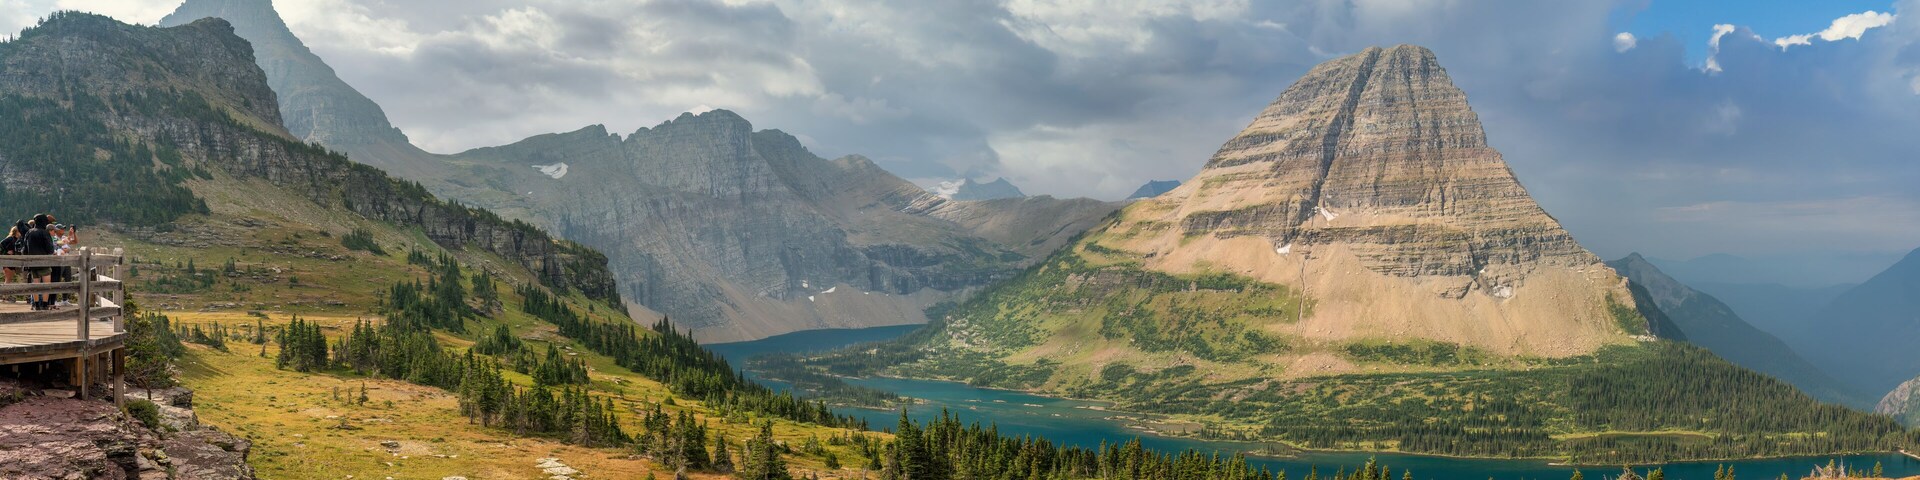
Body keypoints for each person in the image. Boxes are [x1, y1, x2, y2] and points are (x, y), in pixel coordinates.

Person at [22, 214, 57, 310]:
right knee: (46, 285)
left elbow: (24, 249)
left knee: (35, 284)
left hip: (32, 263)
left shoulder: (29, 232)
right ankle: (45, 305)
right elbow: (50, 249)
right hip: (44, 262)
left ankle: (36, 305)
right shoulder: (44, 232)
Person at [0, 224, 19, 303]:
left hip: (12, 261)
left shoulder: (16, 239)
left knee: (8, 279)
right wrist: (6, 252)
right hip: (8, 261)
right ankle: (5, 296)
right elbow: (1, 244)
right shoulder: (10, 238)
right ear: (16, 232)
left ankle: (5, 295)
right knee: (8, 279)